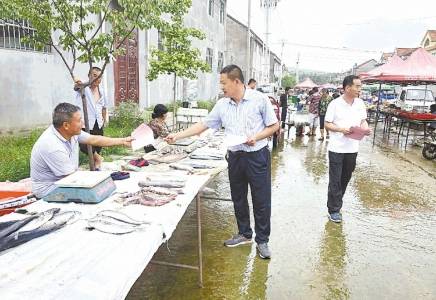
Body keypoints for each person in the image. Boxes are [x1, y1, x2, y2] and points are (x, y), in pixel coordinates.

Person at [165, 65, 279, 259]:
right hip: (235, 156)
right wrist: (177, 135)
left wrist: (257, 137)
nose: (221, 87)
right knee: (238, 197)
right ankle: (244, 233)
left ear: (236, 82)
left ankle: (263, 241)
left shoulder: (259, 100)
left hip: (256, 155)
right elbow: (203, 125)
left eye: (223, 83)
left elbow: (274, 125)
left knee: (261, 199)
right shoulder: (222, 104)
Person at [30, 102, 133, 199]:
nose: (83, 123)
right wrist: (98, 175)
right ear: (66, 125)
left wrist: (123, 141)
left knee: (109, 186)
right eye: (79, 120)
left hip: (66, 180)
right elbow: (73, 179)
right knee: (103, 192)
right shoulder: (52, 146)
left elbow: (94, 139)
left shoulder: (70, 133)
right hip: (50, 190)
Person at [324, 75, 369, 223]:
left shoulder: (360, 103)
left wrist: (365, 129)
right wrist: (342, 129)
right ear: (347, 87)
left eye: (360, 86)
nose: (359, 89)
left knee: (345, 178)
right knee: (335, 179)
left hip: (352, 148)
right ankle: (334, 209)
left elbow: (363, 120)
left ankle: (337, 201)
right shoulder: (335, 104)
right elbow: (327, 124)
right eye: (357, 86)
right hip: (337, 148)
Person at [74, 67, 107, 170]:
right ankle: (98, 159)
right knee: (84, 144)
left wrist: (104, 119)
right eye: (94, 76)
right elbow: (76, 87)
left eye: (99, 77)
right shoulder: (84, 87)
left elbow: (104, 106)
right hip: (85, 122)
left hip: (98, 122)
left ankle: (94, 165)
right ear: (89, 76)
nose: (97, 79)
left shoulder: (102, 91)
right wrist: (78, 83)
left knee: (97, 144)